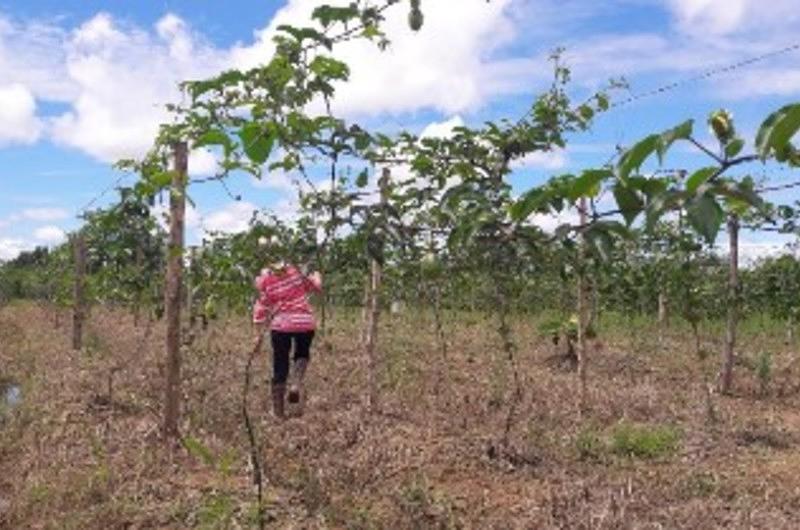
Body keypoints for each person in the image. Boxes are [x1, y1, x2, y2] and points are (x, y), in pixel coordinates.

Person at [252, 261, 322, 419]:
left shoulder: (267, 284)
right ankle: (296, 382)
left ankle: (278, 413)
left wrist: (256, 335)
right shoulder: (297, 275)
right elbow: (316, 287)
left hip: (281, 326)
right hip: (304, 322)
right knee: (302, 354)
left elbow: (260, 310)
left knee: (280, 365)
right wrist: (317, 277)